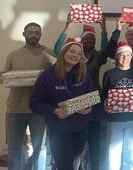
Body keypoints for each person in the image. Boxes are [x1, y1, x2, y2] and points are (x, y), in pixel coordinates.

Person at [30, 38, 94, 170]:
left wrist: (89, 108)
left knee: (75, 158)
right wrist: (54, 110)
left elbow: (91, 96)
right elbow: (35, 103)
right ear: (63, 52)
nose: (75, 55)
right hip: (59, 129)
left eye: (78, 53)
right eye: (72, 51)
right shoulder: (47, 77)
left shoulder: (83, 74)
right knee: (65, 165)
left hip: (80, 128)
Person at [54, 14, 108, 170]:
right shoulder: (75, 56)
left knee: (94, 142)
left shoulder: (98, 56)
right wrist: (68, 26)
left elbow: (106, 49)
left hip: (93, 102)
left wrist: (103, 29)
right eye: (87, 39)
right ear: (82, 41)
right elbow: (58, 49)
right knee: (76, 144)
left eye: (92, 39)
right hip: (75, 102)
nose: (90, 41)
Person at [0, 22, 53, 170]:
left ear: (41, 35)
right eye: (30, 32)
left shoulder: (49, 54)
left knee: (39, 150)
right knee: (14, 150)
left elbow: (58, 75)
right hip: (15, 109)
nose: (34, 35)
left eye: (37, 32)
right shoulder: (14, 55)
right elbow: (2, 76)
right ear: (24, 34)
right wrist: (9, 78)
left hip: (39, 110)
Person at [102, 42, 133, 170]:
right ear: (117, 57)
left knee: (131, 154)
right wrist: (105, 102)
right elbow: (105, 94)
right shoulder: (109, 74)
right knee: (113, 154)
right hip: (114, 120)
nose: (125, 58)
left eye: (127, 55)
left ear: (131, 57)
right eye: (121, 55)